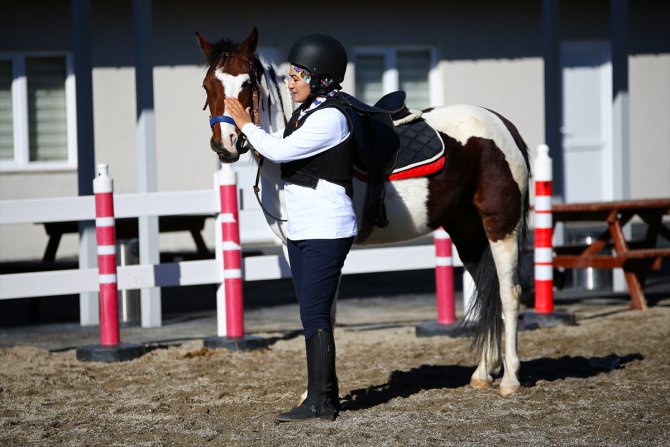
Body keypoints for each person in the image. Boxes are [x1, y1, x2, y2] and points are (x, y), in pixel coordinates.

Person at [224, 33, 355, 422]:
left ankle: (321, 403)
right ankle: (323, 395)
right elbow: (278, 142)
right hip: (303, 228)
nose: (289, 82)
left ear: (321, 79)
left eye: (297, 75)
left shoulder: (330, 118)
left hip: (326, 228)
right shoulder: (306, 114)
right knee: (311, 314)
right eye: (289, 75)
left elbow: (278, 151)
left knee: (315, 315)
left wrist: (246, 125)